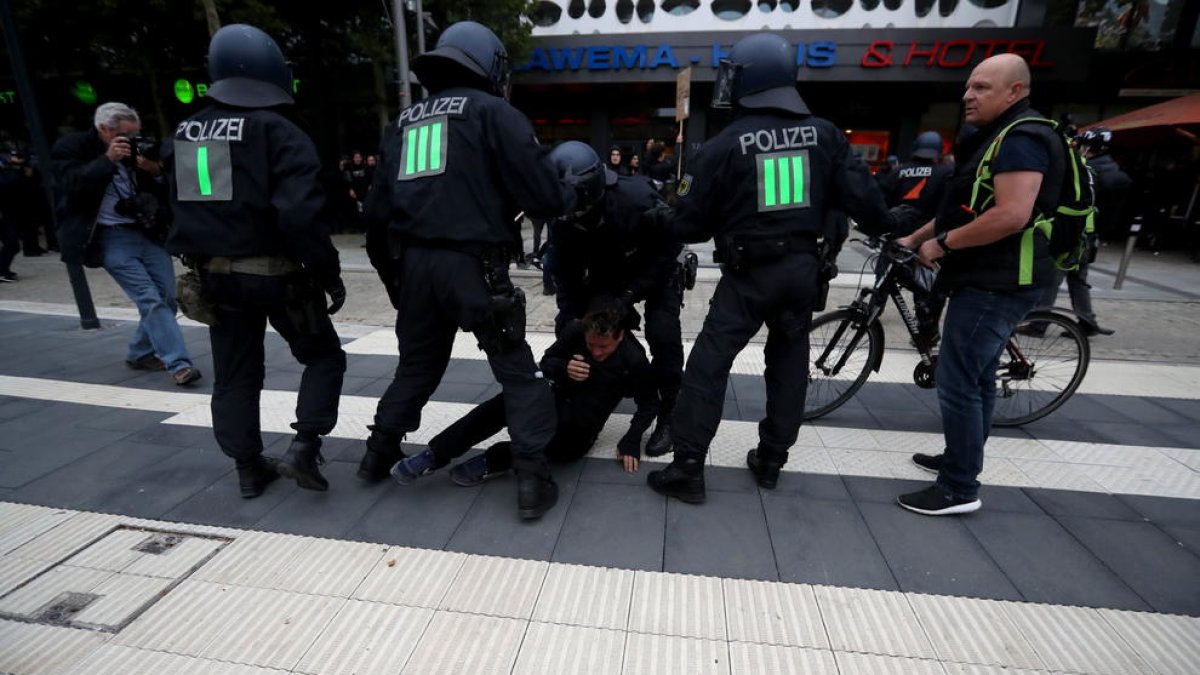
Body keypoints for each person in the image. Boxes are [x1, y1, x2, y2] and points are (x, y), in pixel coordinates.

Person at [644, 32, 905, 503]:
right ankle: (771, 460)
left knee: (708, 365)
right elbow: (867, 205)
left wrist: (664, 213)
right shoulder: (825, 135)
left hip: (748, 276)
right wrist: (897, 226)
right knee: (787, 361)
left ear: (746, 79)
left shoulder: (723, 145)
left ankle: (687, 468)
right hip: (803, 272)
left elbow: (690, 226)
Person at [361, 21, 573, 520]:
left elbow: (375, 217)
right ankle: (531, 481)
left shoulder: (404, 123)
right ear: (493, 67)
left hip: (414, 269)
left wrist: (397, 281)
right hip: (476, 269)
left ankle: (376, 456)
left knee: (416, 367)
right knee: (518, 374)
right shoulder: (495, 113)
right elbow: (543, 197)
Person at [165, 24, 347, 499]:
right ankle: (304, 447)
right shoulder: (278, 130)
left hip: (214, 280)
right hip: (277, 277)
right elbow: (301, 215)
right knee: (324, 357)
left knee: (235, 376)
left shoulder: (186, 131)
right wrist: (328, 273)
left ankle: (248, 468)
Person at [896, 54, 1063, 516]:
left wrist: (943, 245)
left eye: (983, 88)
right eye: (969, 86)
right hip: (990, 277)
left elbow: (1011, 214)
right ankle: (960, 458)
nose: (968, 95)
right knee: (980, 377)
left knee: (959, 382)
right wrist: (917, 236)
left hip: (998, 281)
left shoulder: (1022, 139)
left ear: (1016, 91)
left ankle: (958, 487)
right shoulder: (1000, 136)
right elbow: (968, 206)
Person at [392, 308, 659, 484]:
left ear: (621, 336)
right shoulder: (576, 330)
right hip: (553, 396)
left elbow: (649, 403)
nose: (596, 352)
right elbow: (546, 362)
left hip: (579, 426)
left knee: (563, 450)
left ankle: (494, 459)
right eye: (591, 345)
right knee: (504, 403)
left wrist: (631, 440)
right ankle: (435, 454)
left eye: (604, 347)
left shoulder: (634, 360)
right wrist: (563, 368)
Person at [547, 141, 684, 459]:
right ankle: (581, 395)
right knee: (569, 325)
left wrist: (630, 296)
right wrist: (573, 328)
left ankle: (670, 409)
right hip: (606, 274)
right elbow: (565, 277)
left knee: (663, 333)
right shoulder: (562, 220)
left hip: (654, 272)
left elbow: (670, 246)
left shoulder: (637, 199)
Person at [51, 102, 201, 386]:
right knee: (149, 298)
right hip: (109, 236)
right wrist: (107, 160)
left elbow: (168, 186)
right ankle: (179, 364)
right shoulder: (74, 147)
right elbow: (70, 183)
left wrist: (154, 170)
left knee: (167, 298)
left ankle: (140, 351)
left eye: (136, 134)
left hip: (147, 230)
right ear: (104, 130)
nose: (132, 141)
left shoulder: (139, 151)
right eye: (126, 135)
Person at [1028, 126, 1126, 337]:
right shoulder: (1114, 171)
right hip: (1091, 235)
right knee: (1078, 278)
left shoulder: (1086, 170)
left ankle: (1038, 322)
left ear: (1089, 146)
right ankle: (1087, 321)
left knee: (1052, 276)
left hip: (1075, 231)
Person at [879, 131, 954, 345]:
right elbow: (946, 209)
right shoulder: (945, 172)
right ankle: (927, 330)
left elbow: (882, 201)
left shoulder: (899, 171)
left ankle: (876, 309)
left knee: (884, 276)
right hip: (929, 237)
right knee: (926, 286)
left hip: (898, 237)